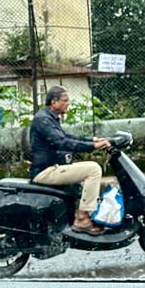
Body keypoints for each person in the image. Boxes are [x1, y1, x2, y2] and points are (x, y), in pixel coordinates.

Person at [29, 86, 112, 235]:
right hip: (45, 171)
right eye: (65, 100)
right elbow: (62, 142)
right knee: (93, 169)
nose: (68, 103)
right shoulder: (43, 120)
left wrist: (93, 140)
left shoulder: (49, 117)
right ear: (54, 102)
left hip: (53, 168)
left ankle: (82, 214)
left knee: (84, 179)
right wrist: (93, 146)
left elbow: (67, 137)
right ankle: (82, 218)